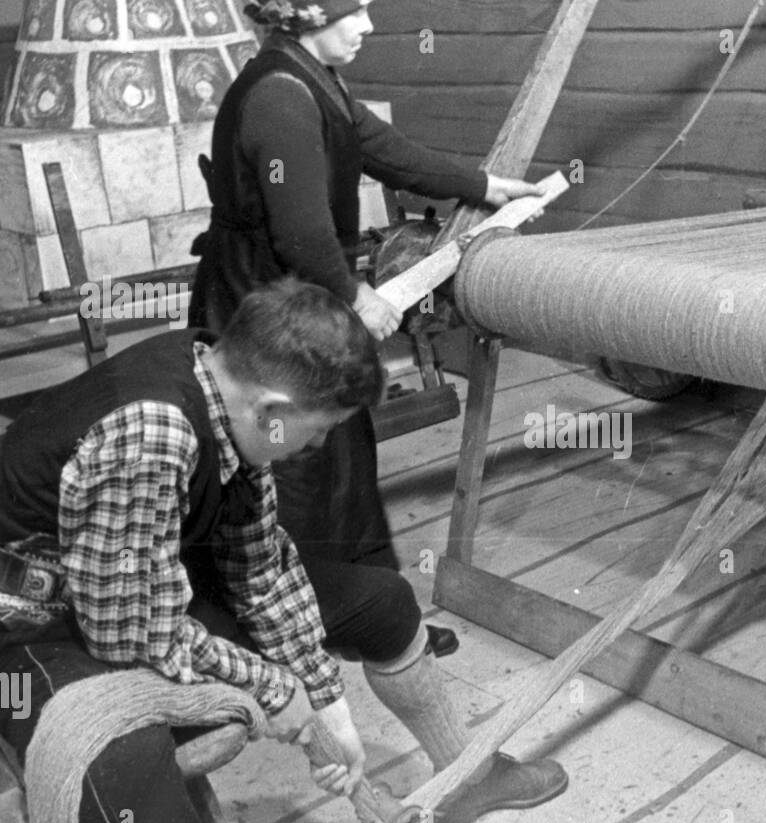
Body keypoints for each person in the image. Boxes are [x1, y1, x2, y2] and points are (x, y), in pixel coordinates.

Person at [0, 279, 567, 823]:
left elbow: (260, 569)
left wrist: (330, 712)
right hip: (29, 628)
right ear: (274, 408)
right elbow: (131, 637)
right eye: (318, 430)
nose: (318, 447)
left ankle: (466, 776)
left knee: (381, 602)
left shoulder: (224, 387)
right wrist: (273, 688)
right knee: (139, 792)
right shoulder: (155, 433)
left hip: (129, 591)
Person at [191, 0, 541, 574]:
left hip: (295, 294)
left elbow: (388, 152)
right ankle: (303, 610)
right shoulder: (281, 96)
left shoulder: (314, 78)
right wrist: (357, 298)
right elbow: (301, 231)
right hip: (258, 301)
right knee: (289, 459)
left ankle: (366, 605)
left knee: (340, 444)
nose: (368, 26)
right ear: (305, 17)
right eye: (352, 12)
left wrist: (486, 186)